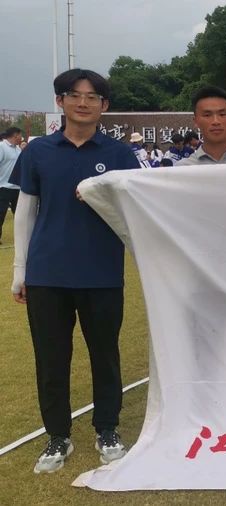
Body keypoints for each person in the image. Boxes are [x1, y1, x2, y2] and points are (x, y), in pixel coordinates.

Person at [10, 68, 141, 474]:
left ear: (104, 105)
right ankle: (57, 436)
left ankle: (107, 429)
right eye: (74, 95)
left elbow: (135, 211)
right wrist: (19, 269)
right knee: (51, 359)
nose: (83, 103)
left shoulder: (120, 155)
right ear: (60, 101)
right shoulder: (38, 151)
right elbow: (25, 211)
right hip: (47, 274)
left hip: (102, 273)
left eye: (92, 97)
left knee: (105, 355)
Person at [0, 126, 23, 244]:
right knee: (0, 214)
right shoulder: (1, 146)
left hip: (17, 187)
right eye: (20, 135)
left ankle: (22, 238)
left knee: (20, 216)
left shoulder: (18, 149)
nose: (21, 138)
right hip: (3, 187)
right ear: (15, 135)